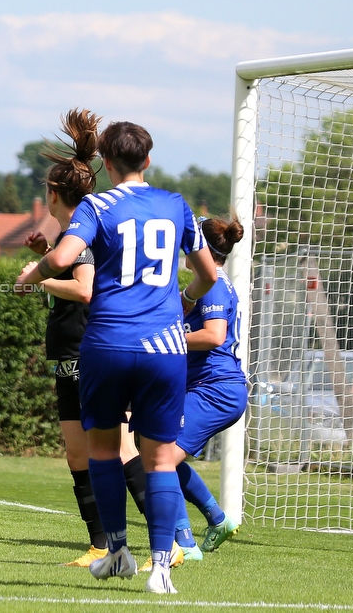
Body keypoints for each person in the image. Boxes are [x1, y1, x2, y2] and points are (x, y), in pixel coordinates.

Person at [16, 113, 218, 594]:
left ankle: (117, 551)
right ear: (148, 159)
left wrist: (33, 273)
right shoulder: (176, 205)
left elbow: (64, 260)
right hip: (165, 347)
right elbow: (208, 275)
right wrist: (184, 300)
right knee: (161, 459)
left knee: (103, 451)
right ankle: (162, 567)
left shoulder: (96, 206)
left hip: (107, 344)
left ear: (106, 163)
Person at [18, 113, 151, 568]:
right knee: (78, 453)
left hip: (87, 353)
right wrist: (45, 260)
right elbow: (72, 271)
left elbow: (86, 288)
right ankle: (100, 544)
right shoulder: (71, 234)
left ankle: (170, 540)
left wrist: (39, 279)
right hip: (69, 355)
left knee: (119, 448)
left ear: (52, 195)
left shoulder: (87, 230)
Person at [171, 216, 246, 556]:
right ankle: (217, 519)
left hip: (215, 388)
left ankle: (185, 544)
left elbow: (214, 336)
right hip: (208, 386)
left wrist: (170, 338)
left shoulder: (213, 283)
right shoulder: (208, 282)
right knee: (156, 455)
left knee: (157, 461)